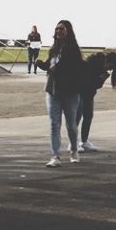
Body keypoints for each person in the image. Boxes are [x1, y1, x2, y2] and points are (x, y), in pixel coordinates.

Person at [36, 20, 84, 167]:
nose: (58, 32)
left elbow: (75, 68)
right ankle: (55, 156)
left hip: (69, 91)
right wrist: (41, 64)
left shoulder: (73, 49)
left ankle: (74, 150)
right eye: (57, 29)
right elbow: (50, 66)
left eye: (61, 29)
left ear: (68, 31)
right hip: (53, 90)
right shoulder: (54, 49)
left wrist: (58, 69)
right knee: (54, 124)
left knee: (71, 125)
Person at [77, 51, 116, 151]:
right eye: (111, 66)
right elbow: (88, 82)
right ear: (109, 61)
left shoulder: (101, 66)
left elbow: (94, 85)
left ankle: (83, 141)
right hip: (80, 91)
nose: (110, 69)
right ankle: (73, 143)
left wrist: (101, 79)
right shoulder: (93, 62)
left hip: (88, 92)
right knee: (78, 116)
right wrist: (101, 80)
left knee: (88, 116)